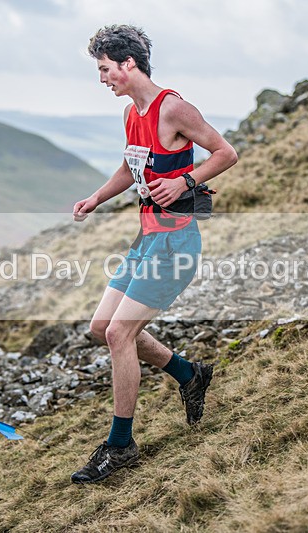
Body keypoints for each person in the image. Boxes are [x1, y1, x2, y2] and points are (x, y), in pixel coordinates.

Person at [70, 24, 238, 484]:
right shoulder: (132, 113)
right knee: (101, 328)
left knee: (119, 334)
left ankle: (120, 445)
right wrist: (96, 198)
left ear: (128, 64)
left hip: (176, 242)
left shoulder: (174, 108)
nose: (102, 78)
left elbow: (225, 153)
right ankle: (189, 374)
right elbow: (131, 167)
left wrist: (185, 182)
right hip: (147, 238)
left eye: (105, 68)